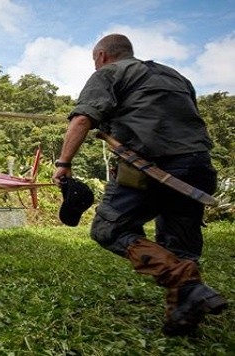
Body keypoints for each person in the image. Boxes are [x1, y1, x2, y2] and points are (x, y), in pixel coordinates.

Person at [52, 33, 227, 336]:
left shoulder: (108, 73)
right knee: (180, 243)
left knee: (110, 229)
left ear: (103, 56)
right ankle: (182, 319)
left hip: (152, 168)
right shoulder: (176, 77)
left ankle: (186, 282)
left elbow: (82, 119)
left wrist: (63, 163)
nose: (95, 65)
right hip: (198, 166)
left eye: (95, 60)